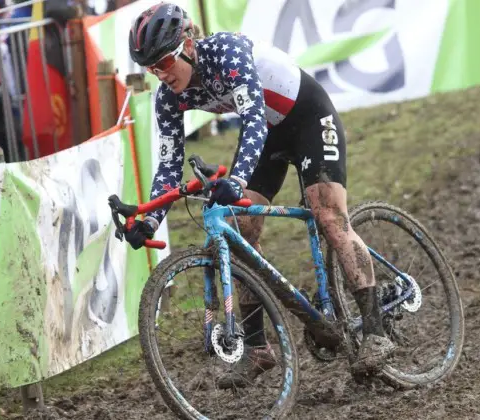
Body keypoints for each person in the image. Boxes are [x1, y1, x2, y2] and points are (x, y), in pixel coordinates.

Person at [124, 2, 395, 387]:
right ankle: (256, 349)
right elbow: (169, 167)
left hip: (307, 119)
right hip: (267, 133)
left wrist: (235, 180)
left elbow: (252, 121)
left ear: (187, 43)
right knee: (239, 227)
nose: (161, 75)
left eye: (164, 63)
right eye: (151, 69)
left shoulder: (226, 53)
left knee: (328, 214)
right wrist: (149, 218)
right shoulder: (168, 98)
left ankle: (375, 332)